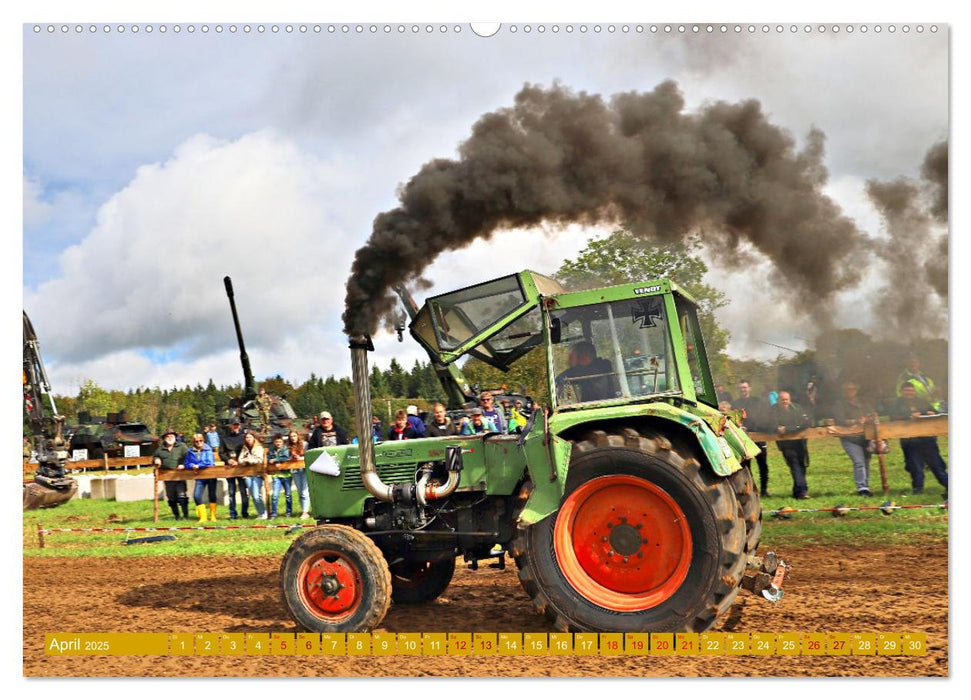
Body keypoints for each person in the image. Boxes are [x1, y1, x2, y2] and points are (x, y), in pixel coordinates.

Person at [889, 381, 948, 498]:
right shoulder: (897, 403)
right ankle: (918, 490)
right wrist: (909, 416)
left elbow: (934, 413)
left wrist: (932, 413)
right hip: (910, 441)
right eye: (907, 391)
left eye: (911, 391)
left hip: (927, 439)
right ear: (902, 392)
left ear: (914, 391)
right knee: (916, 467)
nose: (909, 393)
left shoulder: (921, 401)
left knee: (937, 465)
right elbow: (893, 417)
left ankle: (949, 486)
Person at [832, 381, 875, 496]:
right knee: (858, 462)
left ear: (856, 390)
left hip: (865, 437)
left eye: (852, 389)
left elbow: (872, 414)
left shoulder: (863, 402)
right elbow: (839, 420)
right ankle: (862, 488)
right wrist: (856, 421)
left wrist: (868, 418)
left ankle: (866, 486)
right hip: (849, 438)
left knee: (866, 462)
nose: (850, 391)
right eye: (847, 389)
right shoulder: (839, 404)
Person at [769, 391, 810, 499]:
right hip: (785, 444)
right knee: (794, 465)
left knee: (802, 466)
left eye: (786, 399)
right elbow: (767, 425)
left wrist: (788, 429)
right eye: (782, 400)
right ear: (778, 400)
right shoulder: (773, 411)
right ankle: (803, 491)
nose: (784, 402)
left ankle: (797, 491)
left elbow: (806, 423)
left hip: (800, 442)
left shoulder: (796, 408)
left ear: (790, 400)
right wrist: (777, 429)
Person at [734, 380, 771, 497]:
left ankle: (764, 490)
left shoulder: (757, 401)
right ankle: (750, 490)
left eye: (745, 387)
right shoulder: (736, 403)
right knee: (746, 467)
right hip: (744, 439)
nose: (743, 390)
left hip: (758, 436)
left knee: (763, 465)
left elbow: (763, 416)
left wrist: (758, 428)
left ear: (749, 388)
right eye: (741, 388)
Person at [153, 428, 189, 520]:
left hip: (180, 474)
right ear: (164, 438)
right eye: (167, 436)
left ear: (175, 437)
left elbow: (188, 457)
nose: (170, 438)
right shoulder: (160, 449)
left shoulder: (182, 446)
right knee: (171, 497)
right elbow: (155, 457)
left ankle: (185, 515)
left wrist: (183, 464)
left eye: (171, 436)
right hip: (167, 476)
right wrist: (156, 460)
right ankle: (177, 516)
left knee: (182, 496)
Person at [219, 418, 251, 519]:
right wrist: (228, 460)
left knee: (243, 491)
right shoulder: (224, 438)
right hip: (230, 467)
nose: (236, 426)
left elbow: (249, 450)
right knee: (231, 491)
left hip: (242, 467)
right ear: (231, 426)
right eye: (234, 425)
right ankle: (233, 513)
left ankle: (245, 512)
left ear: (240, 425)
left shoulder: (244, 437)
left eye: (237, 425)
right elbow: (221, 452)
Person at [185, 433, 217, 522]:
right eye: (196, 441)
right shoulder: (190, 451)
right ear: (194, 442)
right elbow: (187, 463)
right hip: (199, 476)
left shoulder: (208, 449)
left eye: (201, 440)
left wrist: (198, 466)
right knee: (196, 496)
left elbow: (209, 462)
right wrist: (192, 466)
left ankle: (213, 516)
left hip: (210, 475)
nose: (199, 442)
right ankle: (203, 517)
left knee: (212, 495)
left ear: (203, 440)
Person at [237, 431, 268, 519]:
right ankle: (260, 513)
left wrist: (250, 460)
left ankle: (264, 512)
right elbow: (240, 459)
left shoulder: (258, 448)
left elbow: (259, 459)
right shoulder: (244, 448)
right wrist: (245, 460)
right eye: (247, 437)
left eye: (250, 437)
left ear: (254, 438)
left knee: (256, 494)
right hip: (247, 474)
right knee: (252, 494)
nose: (248, 439)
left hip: (257, 474)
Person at [267, 433, 292, 519]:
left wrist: (275, 460)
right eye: (276, 442)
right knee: (275, 495)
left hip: (286, 474)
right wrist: (273, 461)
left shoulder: (285, 449)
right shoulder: (271, 450)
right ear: (274, 442)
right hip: (276, 475)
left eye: (280, 442)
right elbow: (268, 458)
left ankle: (289, 512)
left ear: (282, 442)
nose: (278, 443)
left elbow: (285, 458)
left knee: (288, 495)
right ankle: (273, 514)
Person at [287, 430, 311, 519]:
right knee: (300, 491)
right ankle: (303, 509)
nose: (293, 438)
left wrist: (300, 457)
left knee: (305, 491)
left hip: (304, 469)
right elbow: (286, 457)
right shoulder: (289, 447)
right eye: (291, 436)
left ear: (297, 436)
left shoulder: (305, 445)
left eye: (294, 436)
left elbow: (309, 455)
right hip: (295, 470)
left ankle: (305, 512)